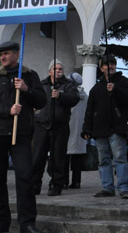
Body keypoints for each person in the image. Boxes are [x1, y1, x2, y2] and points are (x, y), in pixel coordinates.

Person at [0, 40, 47, 233]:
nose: (3, 57)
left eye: (7, 53)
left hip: (21, 133)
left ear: (17, 54)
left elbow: (41, 101)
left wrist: (26, 90)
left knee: (24, 176)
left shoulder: (29, 76)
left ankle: (27, 223)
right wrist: (7, 110)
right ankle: (1, 221)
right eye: (1, 55)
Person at [82, 56, 128, 199]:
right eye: (106, 64)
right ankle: (107, 187)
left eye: (112, 64)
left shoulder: (123, 82)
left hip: (116, 128)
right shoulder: (96, 88)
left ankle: (123, 188)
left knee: (120, 159)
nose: (109, 66)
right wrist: (87, 129)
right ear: (101, 68)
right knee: (103, 160)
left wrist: (115, 89)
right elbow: (90, 110)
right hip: (100, 129)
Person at [31, 60, 79, 196]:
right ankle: (35, 185)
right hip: (41, 125)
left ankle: (56, 185)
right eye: (55, 68)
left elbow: (74, 98)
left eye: (60, 69)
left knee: (58, 158)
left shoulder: (68, 85)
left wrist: (60, 95)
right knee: (37, 157)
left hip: (60, 126)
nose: (58, 71)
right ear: (49, 71)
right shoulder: (42, 84)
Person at [65, 72, 88, 189]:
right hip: (80, 130)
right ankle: (76, 182)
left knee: (64, 157)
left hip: (67, 128)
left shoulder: (68, 95)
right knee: (77, 159)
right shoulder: (85, 96)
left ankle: (63, 181)